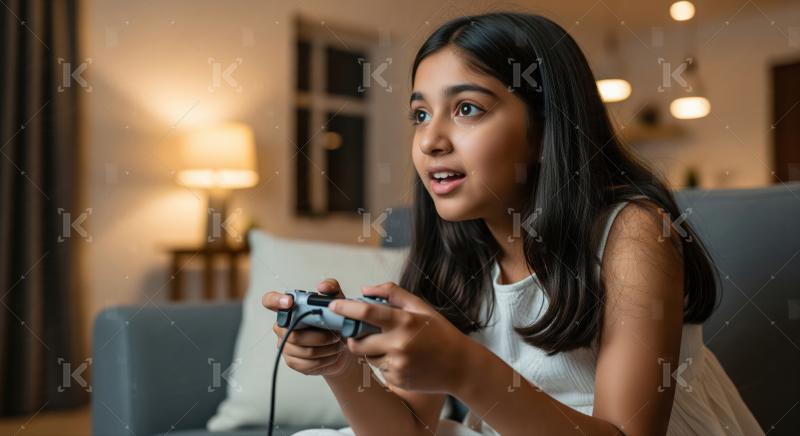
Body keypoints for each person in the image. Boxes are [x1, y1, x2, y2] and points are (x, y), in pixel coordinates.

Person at [263, 11, 764, 436]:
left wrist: (463, 367)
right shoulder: (455, 254)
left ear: (545, 130)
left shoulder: (633, 232)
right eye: (419, 114)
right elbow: (410, 428)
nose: (431, 140)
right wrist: (342, 368)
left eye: (466, 109)